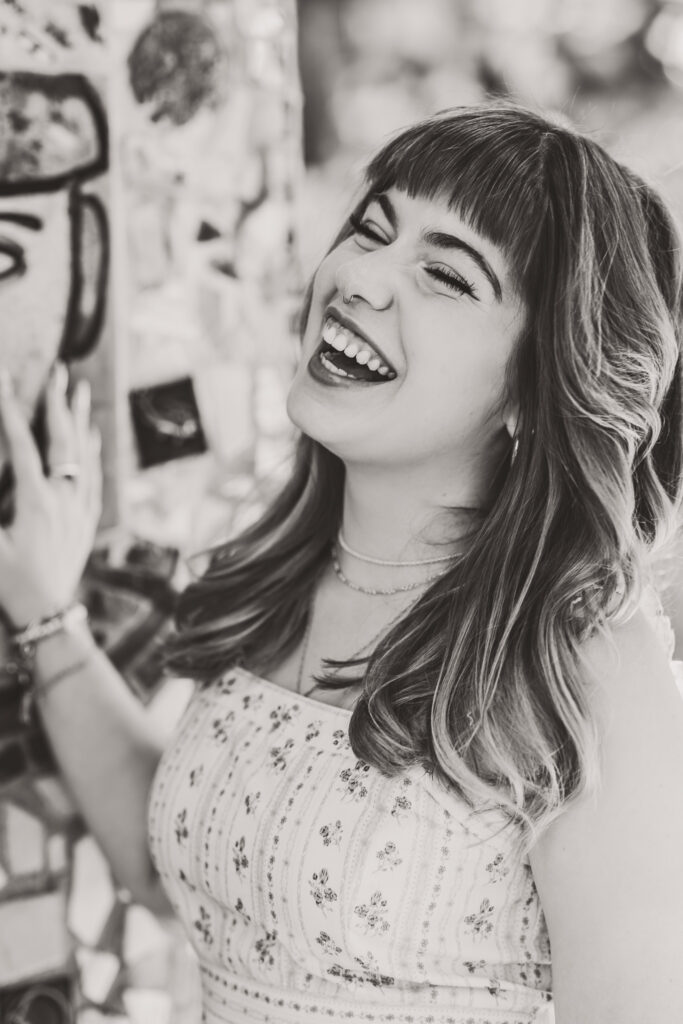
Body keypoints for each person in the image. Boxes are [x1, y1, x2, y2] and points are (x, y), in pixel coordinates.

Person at [1, 104, 683, 1024]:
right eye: (371, 227)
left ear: (534, 385)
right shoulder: (277, 578)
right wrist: (41, 604)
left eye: (445, 273)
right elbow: (172, 876)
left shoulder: (584, 658)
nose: (361, 276)